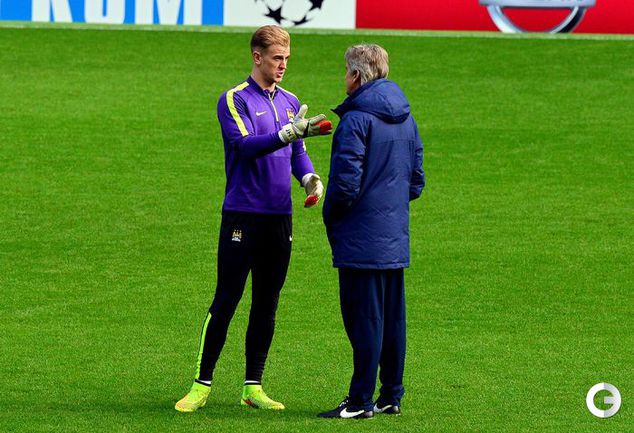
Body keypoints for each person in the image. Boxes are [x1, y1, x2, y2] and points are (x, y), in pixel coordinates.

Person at [175, 25, 332, 413]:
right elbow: (244, 147)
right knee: (227, 299)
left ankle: (253, 386)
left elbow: (297, 153)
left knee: (267, 302)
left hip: (280, 218)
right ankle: (200, 385)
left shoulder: (291, 101)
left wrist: (309, 178)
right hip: (242, 215)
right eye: (277, 58)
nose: (283, 65)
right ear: (257, 56)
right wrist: (287, 134)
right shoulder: (234, 99)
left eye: (287, 59)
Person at [319, 44, 425, 419]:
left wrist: (332, 215)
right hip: (393, 236)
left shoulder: (355, 120)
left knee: (363, 320)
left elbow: (344, 186)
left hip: (361, 238)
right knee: (393, 321)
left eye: (346, 72)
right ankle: (390, 395)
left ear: (356, 76)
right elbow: (416, 181)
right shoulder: (406, 118)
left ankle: (360, 400)